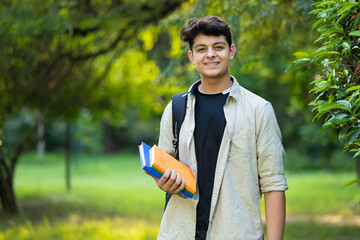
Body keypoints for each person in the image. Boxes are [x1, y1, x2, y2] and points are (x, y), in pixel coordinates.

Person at [153, 15, 288, 240]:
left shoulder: (259, 110)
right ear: (191, 56)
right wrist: (163, 181)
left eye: (218, 47)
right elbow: (163, 167)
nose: (211, 54)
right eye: (201, 49)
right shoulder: (176, 108)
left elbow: (273, 185)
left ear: (231, 51)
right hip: (180, 233)